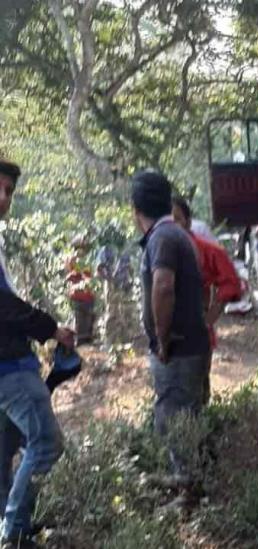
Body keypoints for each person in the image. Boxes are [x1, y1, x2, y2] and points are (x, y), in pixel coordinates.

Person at [0, 158, 74, 548]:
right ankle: (13, 533)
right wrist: (51, 329)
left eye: (9, 191)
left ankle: (10, 524)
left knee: (4, 452)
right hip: (9, 366)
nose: (3, 198)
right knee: (45, 442)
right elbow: (4, 306)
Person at [130, 171, 210, 492]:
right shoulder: (177, 235)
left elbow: (163, 287)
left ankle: (188, 487)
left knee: (174, 419)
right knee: (185, 414)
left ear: (135, 209)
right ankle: (187, 480)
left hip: (177, 349)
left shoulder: (162, 238)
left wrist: (162, 340)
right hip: (191, 344)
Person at [171, 196, 243, 403]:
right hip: (167, 336)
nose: (172, 225)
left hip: (197, 334)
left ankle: (202, 429)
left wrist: (210, 317)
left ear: (188, 221)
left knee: (198, 389)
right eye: (167, 220)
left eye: (177, 219)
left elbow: (230, 283)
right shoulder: (156, 251)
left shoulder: (207, 251)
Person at [64, 236, 95, 344]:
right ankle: (81, 342)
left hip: (88, 294)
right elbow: (69, 275)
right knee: (80, 320)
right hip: (78, 294)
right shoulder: (72, 259)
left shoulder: (89, 259)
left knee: (88, 319)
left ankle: (86, 341)